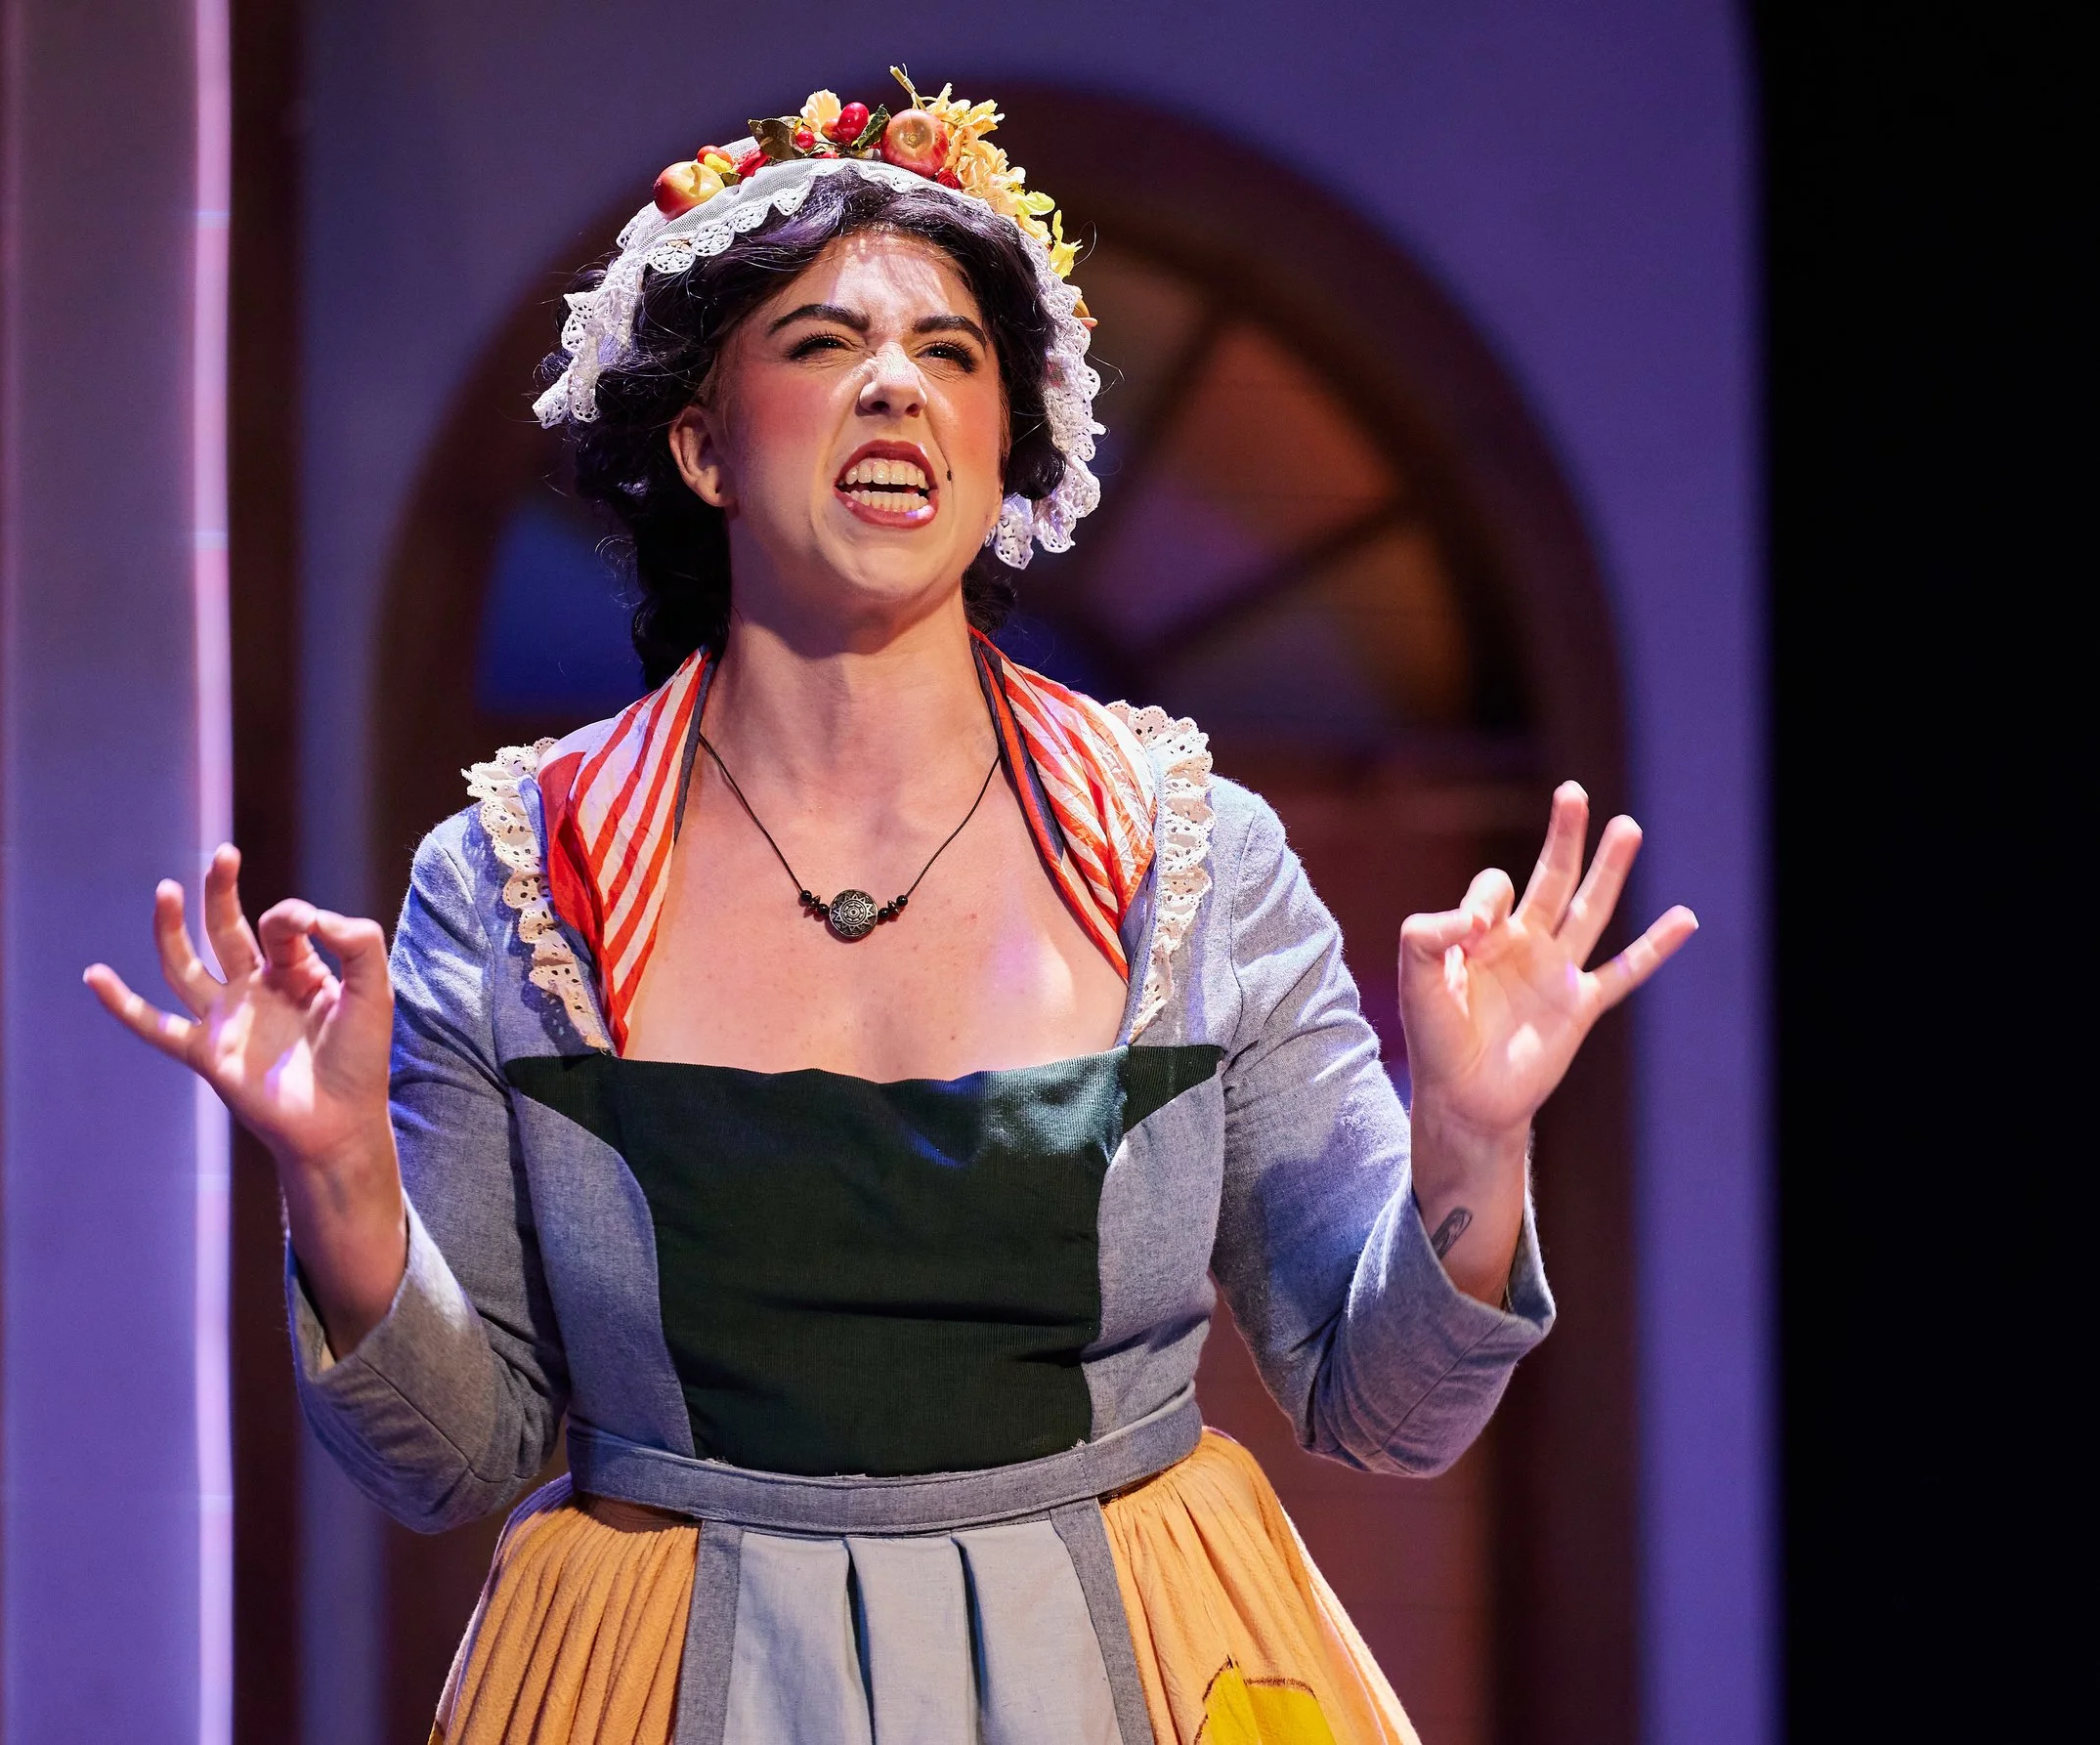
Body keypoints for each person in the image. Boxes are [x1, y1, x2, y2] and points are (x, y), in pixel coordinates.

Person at [87, 74, 1696, 1745]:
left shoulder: (1185, 853)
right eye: (817, 343)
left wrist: (1475, 1145)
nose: (892, 388)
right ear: (702, 444)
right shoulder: (514, 879)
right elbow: (452, 1453)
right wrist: (339, 1176)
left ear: (1008, 444)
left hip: (1122, 1669)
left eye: (950, 353)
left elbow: (1387, 1406)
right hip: (678, 1681)